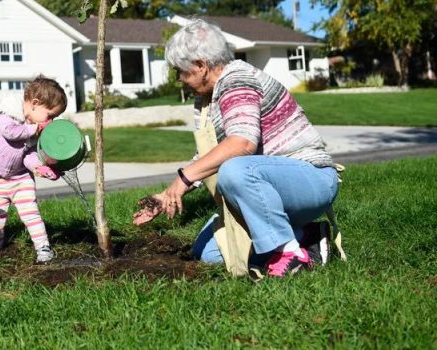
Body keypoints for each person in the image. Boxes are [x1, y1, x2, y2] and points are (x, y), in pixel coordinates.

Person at [133, 19, 339, 278]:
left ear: (200, 65)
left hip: (311, 180)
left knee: (234, 170)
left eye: (181, 71)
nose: (179, 79)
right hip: (270, 187)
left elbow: (242, 144)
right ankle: (307, 235)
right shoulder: (209, 97)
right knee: (209, 252)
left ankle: (290, 254)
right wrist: (168, 195)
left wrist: (184, 178)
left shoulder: (237, 80)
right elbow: (210, 156)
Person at [0, 76, 67, 264]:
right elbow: (10, 133)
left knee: (30, 213)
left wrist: (38, 166)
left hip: (21, 178)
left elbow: (27, 153)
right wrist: (34, 128)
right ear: (35, 104)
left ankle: (43, 248)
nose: (50, 121)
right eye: (50, 116)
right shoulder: (8, 113)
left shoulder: (32, 128)